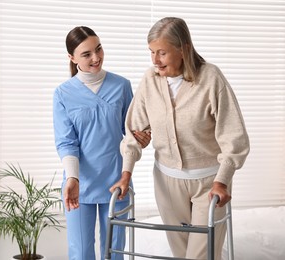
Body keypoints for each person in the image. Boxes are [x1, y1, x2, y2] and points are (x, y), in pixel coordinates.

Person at [111, 17, 250, 260]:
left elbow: (234, 134)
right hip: (166, 184)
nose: (155, 60)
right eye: (151, 52)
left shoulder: (211, 78)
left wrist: (223, 179)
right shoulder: (150, 80)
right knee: (181, 254)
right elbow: (133, 130)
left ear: (184, 49)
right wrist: (126, 173)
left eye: (162, 53)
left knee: (201, 255)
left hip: (209, 183)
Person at [53, 26, 150, 260]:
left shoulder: (121, 86)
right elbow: (66, 142)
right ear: (72, 58)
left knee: (114, 251)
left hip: (117, 181)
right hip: (79, 183)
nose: (96, 58)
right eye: (86, 54)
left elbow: (130, 135)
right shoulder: (63, 94)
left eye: (98, 49)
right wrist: (73, 178)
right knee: (81, 251)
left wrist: (142, 140)